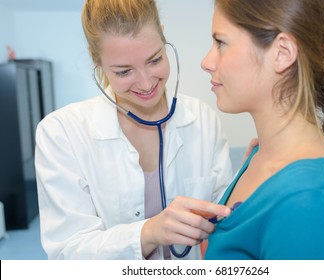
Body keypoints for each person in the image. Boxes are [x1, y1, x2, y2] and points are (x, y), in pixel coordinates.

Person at [34, 0, 233, 260]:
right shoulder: (61, 133)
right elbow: (67, 253)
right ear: (97, 60)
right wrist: (149, 233)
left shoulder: (202, 119)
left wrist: (252, 177)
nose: (146, 82)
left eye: (154, 60)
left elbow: (224, 214)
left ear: (163, 36)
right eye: (124, 71)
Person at [201, 0, 324, 260]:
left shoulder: (311, 204)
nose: (207, 62)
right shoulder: (261, 155)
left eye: (221, 43)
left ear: (282, 53)